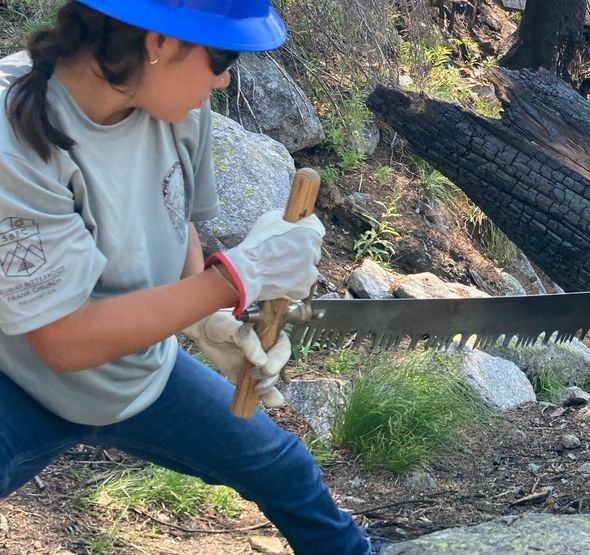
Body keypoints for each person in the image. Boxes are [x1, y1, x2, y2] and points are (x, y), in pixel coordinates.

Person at [0, 1, 370, 553]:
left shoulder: (175, 109)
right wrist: (238, 278)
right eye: (221, 57)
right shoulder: (13, 134)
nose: (223, 80)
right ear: (159, 42)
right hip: (20, 378)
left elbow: (176, 219)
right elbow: (63, 340)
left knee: (285, 466)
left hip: (136, 371)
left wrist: (211, 320)